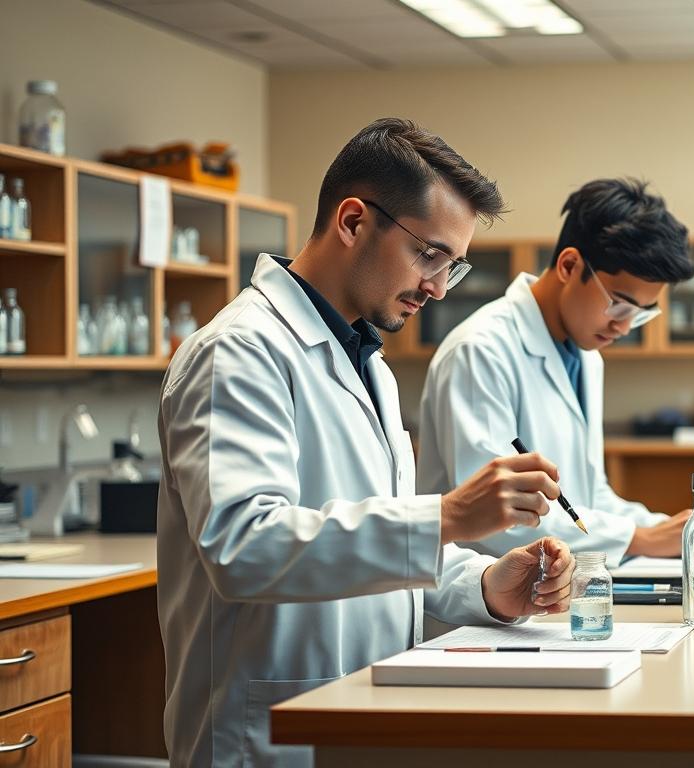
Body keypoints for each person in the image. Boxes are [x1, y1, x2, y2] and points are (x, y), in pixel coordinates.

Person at [157, 118, 576, 768]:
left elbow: (378, 556)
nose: (438, 287)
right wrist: (445, 516)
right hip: (264, 734)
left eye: (452, 267)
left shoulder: (367, 363)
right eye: (430, 255)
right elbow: (243, 547)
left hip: (358, 718)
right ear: (353, 221)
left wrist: (488, 585)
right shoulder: (238, 352)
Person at [419, 178, 694, 560]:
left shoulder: (585, 355)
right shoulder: (480, 351)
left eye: (639, 316)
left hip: (555, 589)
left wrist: (670, 529)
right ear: (569, 265)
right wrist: (637, 539)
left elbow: (589, 494)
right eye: (619, 306)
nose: (622, 327)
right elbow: (493, 517)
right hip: (478, 602)